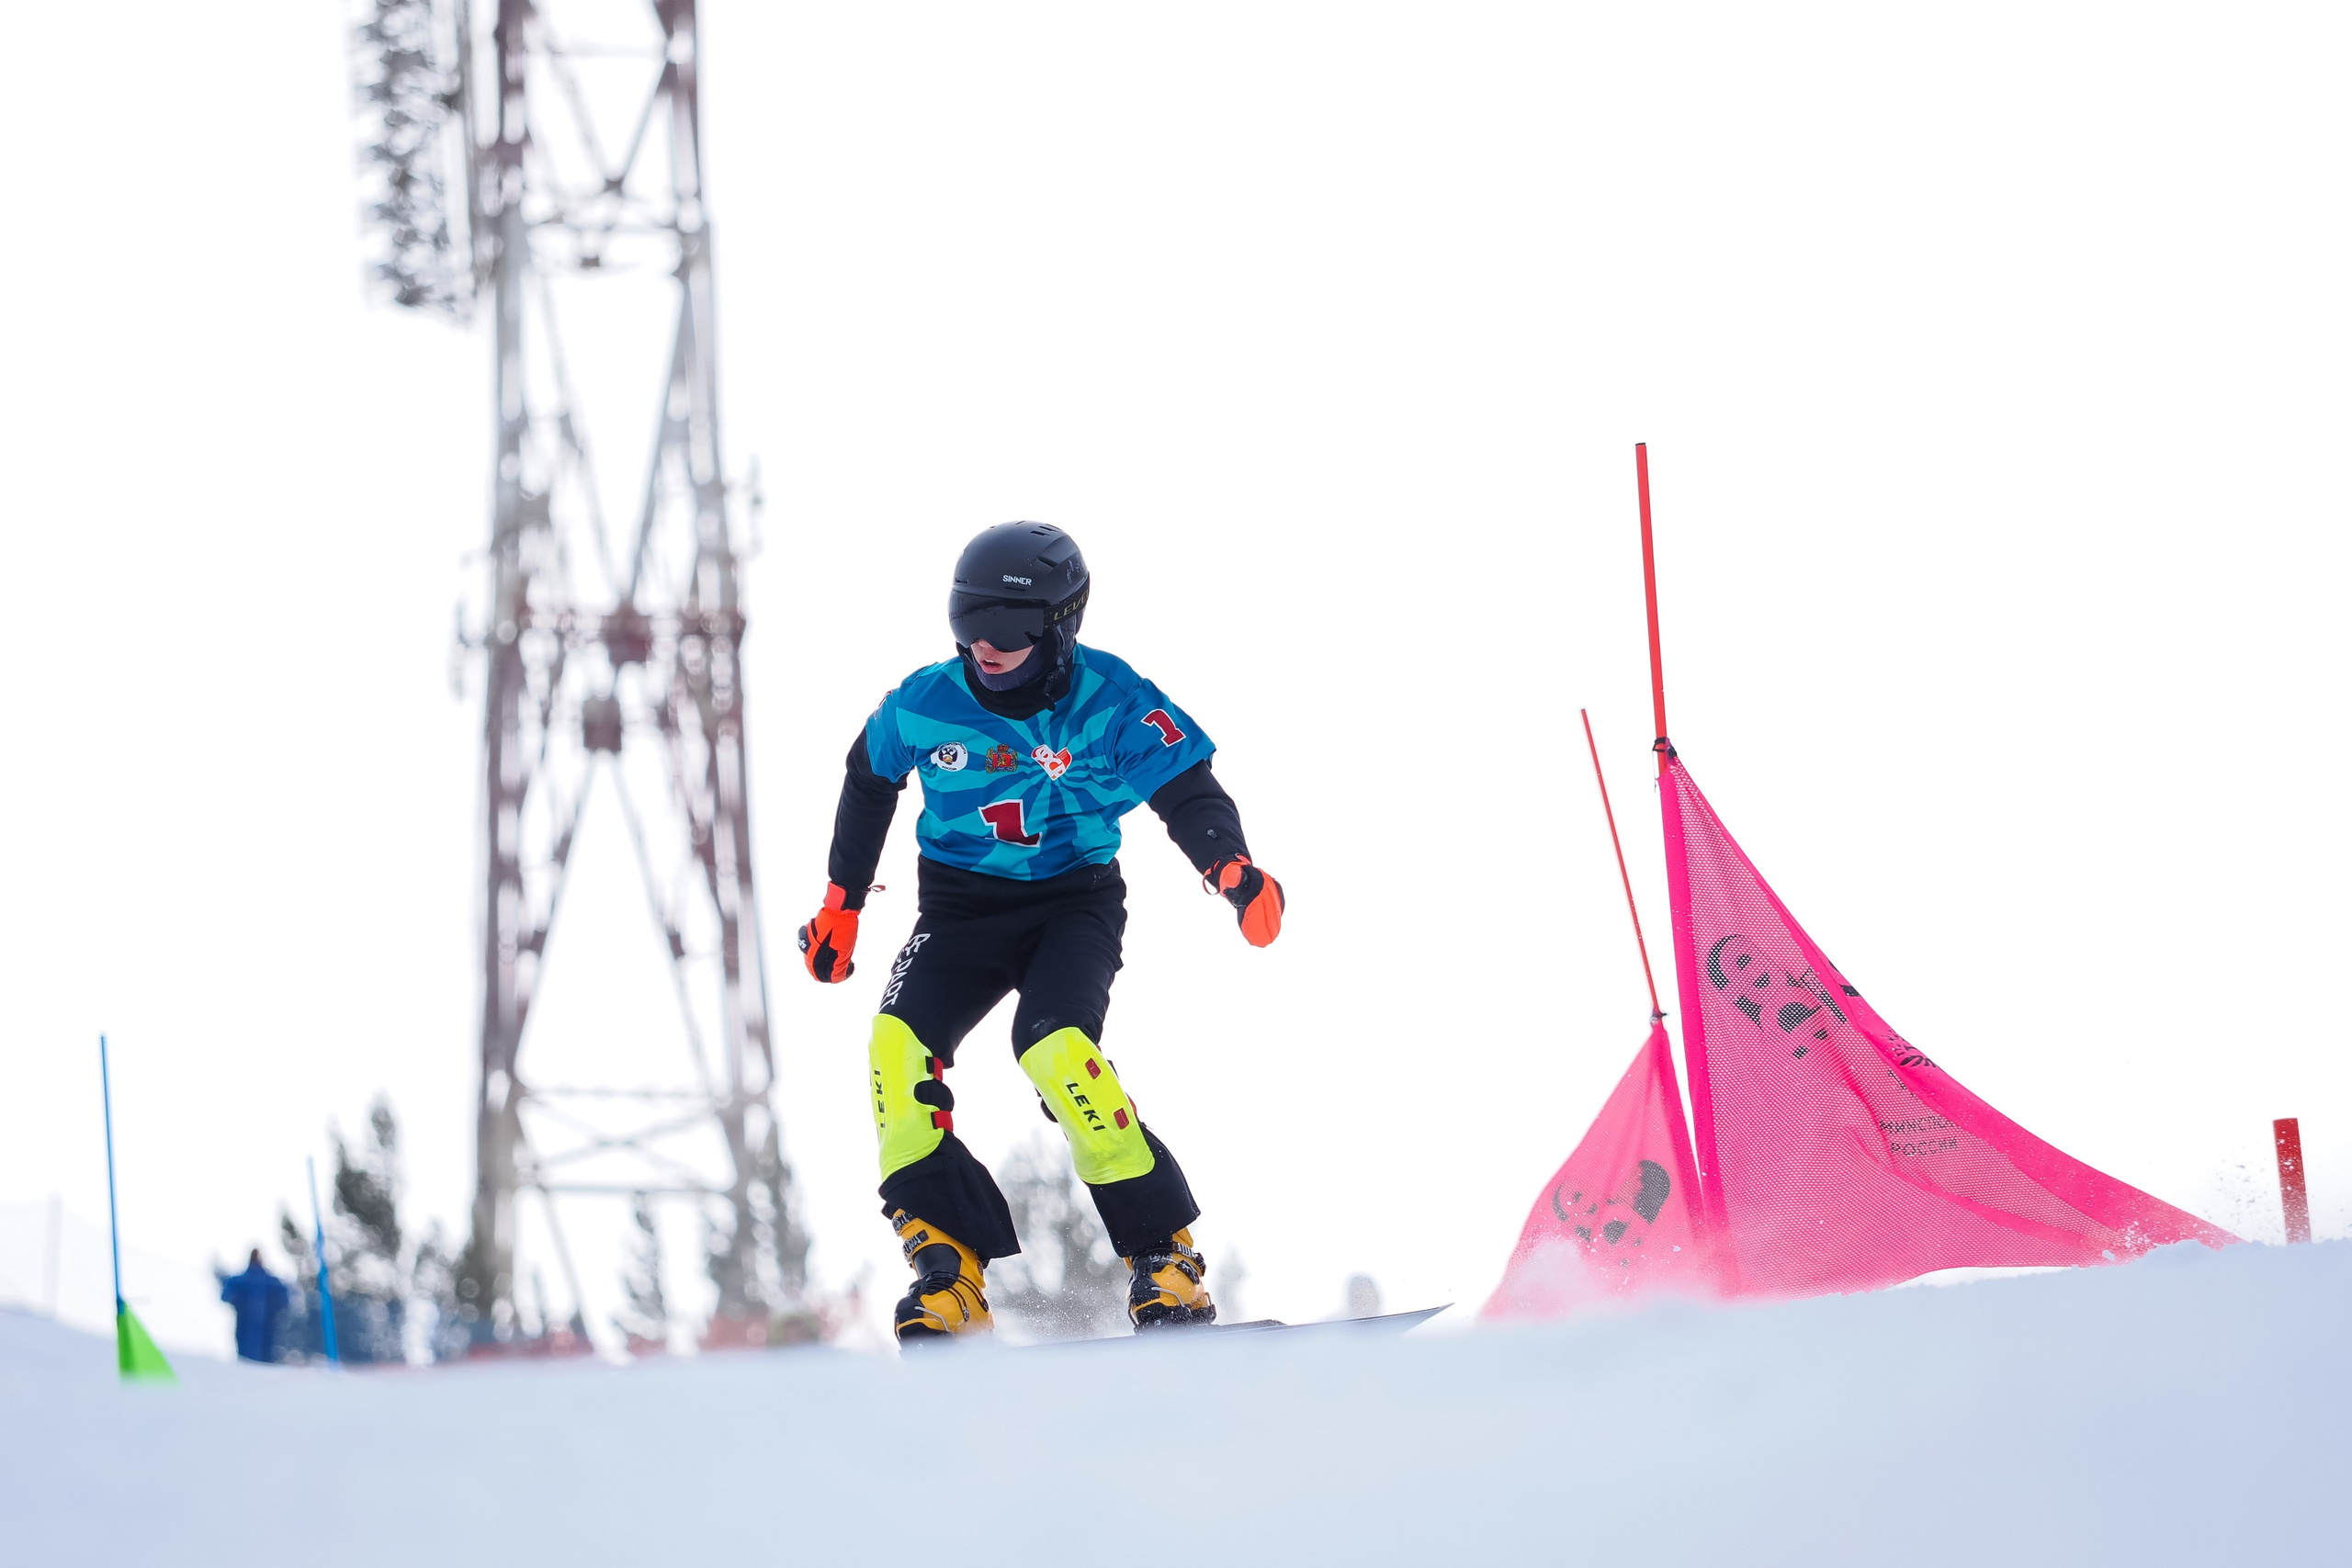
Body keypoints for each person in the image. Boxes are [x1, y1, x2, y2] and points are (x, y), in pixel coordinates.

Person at [799, 521, 1284, 1346]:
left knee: (1055, 1046)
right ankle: (949, 1270)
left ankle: (1165, 1256)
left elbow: (1186, 787)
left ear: (1061, 628)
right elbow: (867, 776)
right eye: (967, 625)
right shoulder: (924, 703)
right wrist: (844, 902)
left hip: (1074, 903)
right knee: (894, 1044)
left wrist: (1230, 866)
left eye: (1011, 631)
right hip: (958, 910)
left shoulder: (1112, 699)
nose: (985, 648)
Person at [218, 1248, 291, 1364]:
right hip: (245, 1326)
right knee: (246, 1358)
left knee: (263, 1358)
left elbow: (284, 1300)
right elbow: (227, 1296)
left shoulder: (270, 1283)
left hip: (267, 1330)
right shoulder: (242, 1281)